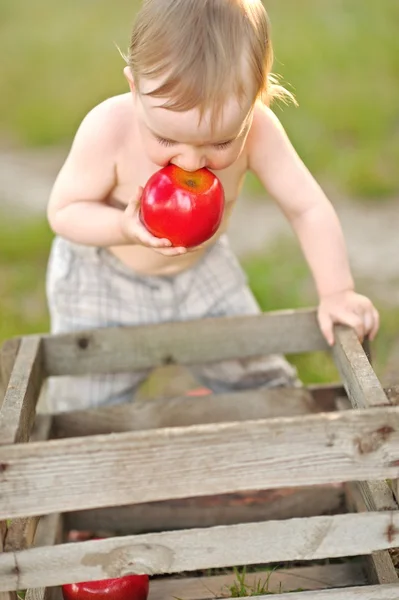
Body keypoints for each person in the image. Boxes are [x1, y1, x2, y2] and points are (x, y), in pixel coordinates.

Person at [46, 0, 379, 412]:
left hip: (201, 271)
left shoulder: (258, 130)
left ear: (257, 97)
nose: (190, 162)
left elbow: (306, 207)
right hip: (102, 278)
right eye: (166, 139)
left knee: (260, 383)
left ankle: (270, 450)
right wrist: (124, 228)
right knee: (83, 406)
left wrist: (337, 291)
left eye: (221, 143)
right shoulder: (109, 129)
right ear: (135, 89)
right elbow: (64, 212)